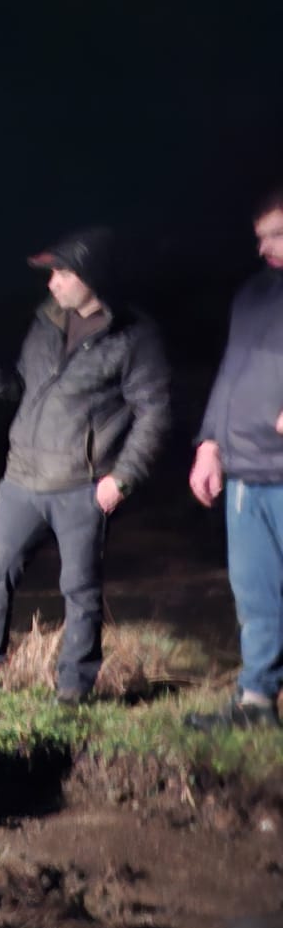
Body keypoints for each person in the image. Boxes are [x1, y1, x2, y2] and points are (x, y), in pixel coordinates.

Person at [0, 227, 172, 704]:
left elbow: (155, 412)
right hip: (21, 479)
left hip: (82, 486)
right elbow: (20, 389)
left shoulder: (134, 336)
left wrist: (123, 478)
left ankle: (73, 692)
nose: (52, 282)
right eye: (51, 272)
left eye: (61, 272)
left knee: (80, 593)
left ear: (91, 276)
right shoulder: (45, 321)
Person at [184, 188, 283, 731]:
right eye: (260, 237)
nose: (265, 246)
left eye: (277, 234)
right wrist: (208, 445)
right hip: (245, 473)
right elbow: (229, 372)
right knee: (256, 594)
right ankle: (257, 702)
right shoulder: (251, 294)